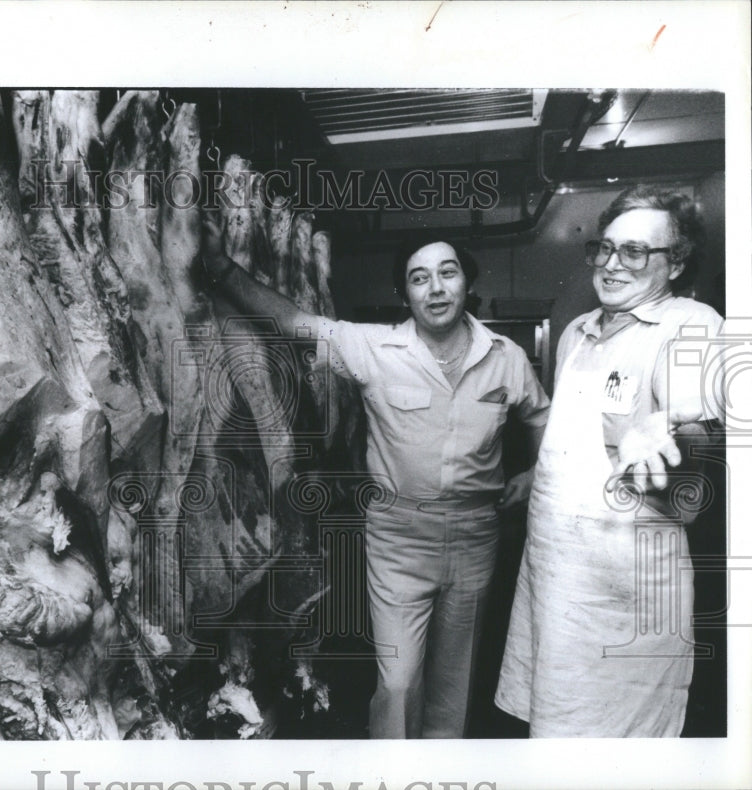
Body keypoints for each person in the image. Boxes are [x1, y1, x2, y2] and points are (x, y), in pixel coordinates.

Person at [202, 215, 550, 738]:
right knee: (398, 681)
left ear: (467, 282)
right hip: (399, 539)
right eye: (419, 277)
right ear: (404, 293)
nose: (435, 288)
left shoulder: (507, 358)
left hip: (478, 537)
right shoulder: (375, 349)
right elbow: (297, 322)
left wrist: (535, 473)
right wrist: (223, 270)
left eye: (447, 272)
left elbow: (541, 415)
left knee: (456, 680)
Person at [494, 184, 725, 737]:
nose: (613, 264)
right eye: (606, 247)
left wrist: (670, 426)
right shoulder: (578, 330)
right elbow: (575, 432)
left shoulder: (689, 322)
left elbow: (700, 429)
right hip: (554, 578)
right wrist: (539, 471)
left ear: (677, 262)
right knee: (554, 731)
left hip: (625, 591)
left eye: (637, 252)